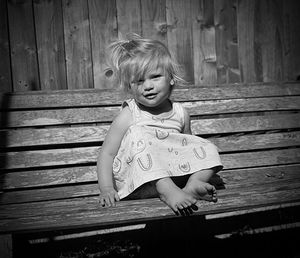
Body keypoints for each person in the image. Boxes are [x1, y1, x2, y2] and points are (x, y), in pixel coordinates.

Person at [97, 33, 223, 215]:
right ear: (130, 87)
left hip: (177, 179)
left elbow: (188, 149)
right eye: (139, 81)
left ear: (171, 78)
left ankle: (193, 184)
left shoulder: (180, 113)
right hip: (140, 182)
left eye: (155, 77)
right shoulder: (130, 114)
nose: (147, 86)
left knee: (207, 146)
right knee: (139, 135)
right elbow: (107, 154)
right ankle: (167, 191)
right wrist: (107, 188)